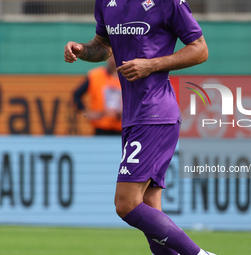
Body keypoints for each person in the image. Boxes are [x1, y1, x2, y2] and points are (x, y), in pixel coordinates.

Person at [64, 0, 214, 254]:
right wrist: (81, 49)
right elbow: (103, 46)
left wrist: (152, 64)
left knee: (126, 204)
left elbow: (200, 49)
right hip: (134, 117)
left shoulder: (168, 3)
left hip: (155, 114)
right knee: (148, 205)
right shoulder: (106, 3)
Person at [73, 55, 122, 135]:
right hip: (101, 128)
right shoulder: (95, 76)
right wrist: (86, 113)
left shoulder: (129, 76)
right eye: (111, 55)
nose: (113, 58)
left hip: (123, 128)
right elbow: (77, 95)